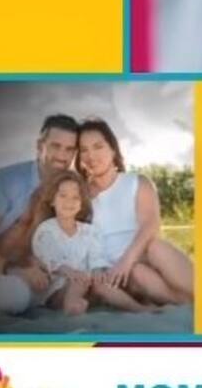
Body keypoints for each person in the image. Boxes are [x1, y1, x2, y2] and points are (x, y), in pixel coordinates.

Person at [0, 114, 80, 317]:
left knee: (22, 297)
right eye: (55, 146)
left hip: (16, 280)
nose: (62, 156)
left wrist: (36, 267)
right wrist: (12, 268)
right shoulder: (8, 179)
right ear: (40, 146)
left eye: (69, 149)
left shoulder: (70, 193)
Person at [75, 118, 194, 306]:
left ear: (113, 150)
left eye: (98, 147)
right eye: (84, 150)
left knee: (157, 248)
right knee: (138, 273)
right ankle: (188, 303)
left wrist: (126, 261)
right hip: (118, 274)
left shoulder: (137, 182)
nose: (91, 156)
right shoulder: (78, 195)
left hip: (143, 254)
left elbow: (150, 225)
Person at [30, 170, 150, 315]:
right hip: (58, 291)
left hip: (86, 284)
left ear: (81, 203)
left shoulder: (89, 231)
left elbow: (96, 256)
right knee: (79, 281)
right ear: (52, 201)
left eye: (75, 197)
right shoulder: (46, 230)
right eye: (63, 196)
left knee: (101, 283)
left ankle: (137, 308)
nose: (69, 201)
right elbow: (50, 258)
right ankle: (71, 304)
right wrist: (70, 272)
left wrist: (97, 271)